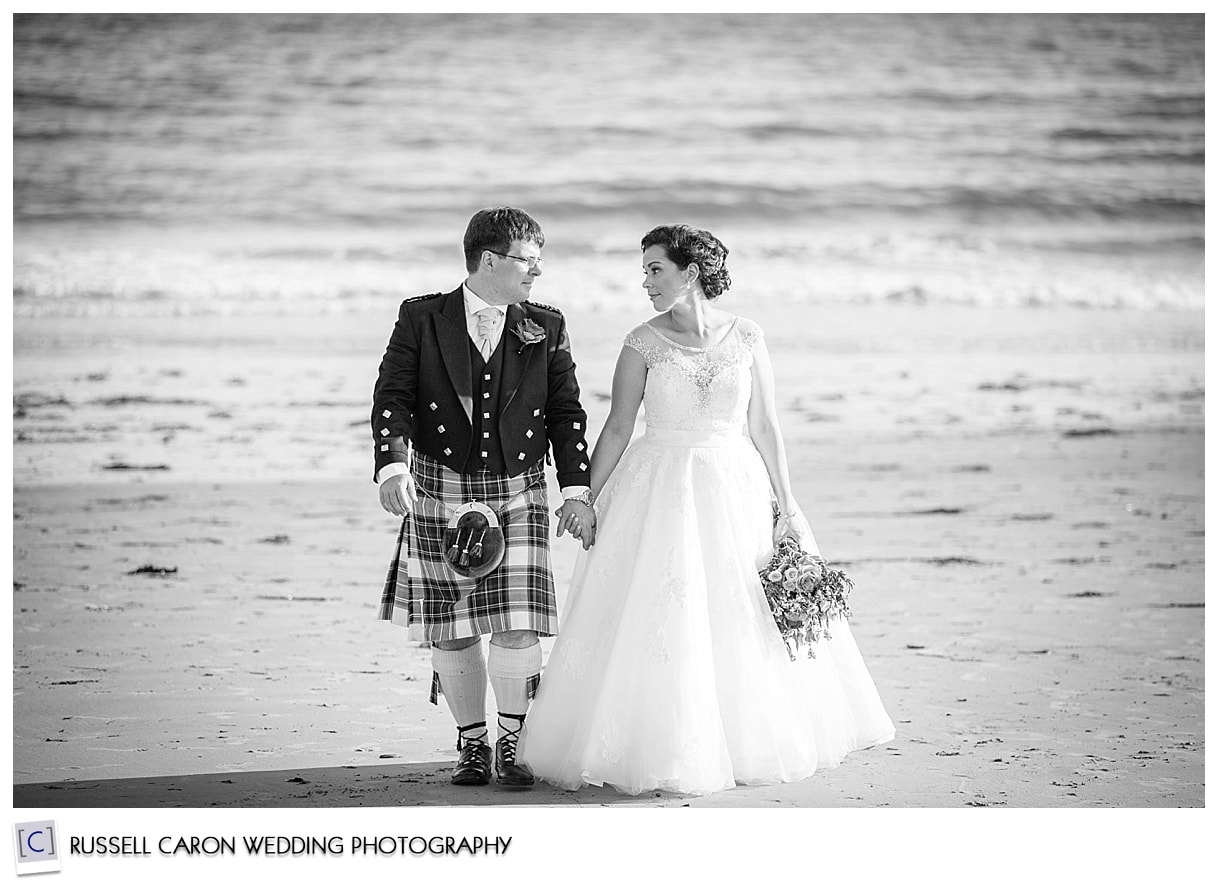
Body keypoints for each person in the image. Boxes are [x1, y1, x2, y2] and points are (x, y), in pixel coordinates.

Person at [518, 224, 895, 796]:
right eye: (644, 270)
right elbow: (618, 427)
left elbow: (765, 425)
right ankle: (662, 743)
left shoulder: (747, 336)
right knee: (665, 611)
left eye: (654, 269)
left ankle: (738, 739)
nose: (644, 281)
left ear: (690, 273)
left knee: (736, 612)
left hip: (735, 486)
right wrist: (583, 498)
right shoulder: (639, 342)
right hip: (658, 488)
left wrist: (786, 504)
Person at [373, 207, 597, 789]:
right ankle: (472, 742)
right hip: (439, 485)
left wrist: (576, 488)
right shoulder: (422, 318)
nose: (537, 271)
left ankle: (512, 741)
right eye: (527, 260)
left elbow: (567, 412)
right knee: (452, 626)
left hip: (519, 487)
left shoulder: (545, 325)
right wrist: (392, 464)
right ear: (489, 261)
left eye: (538, 260)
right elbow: (392, 394)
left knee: (517, 623)